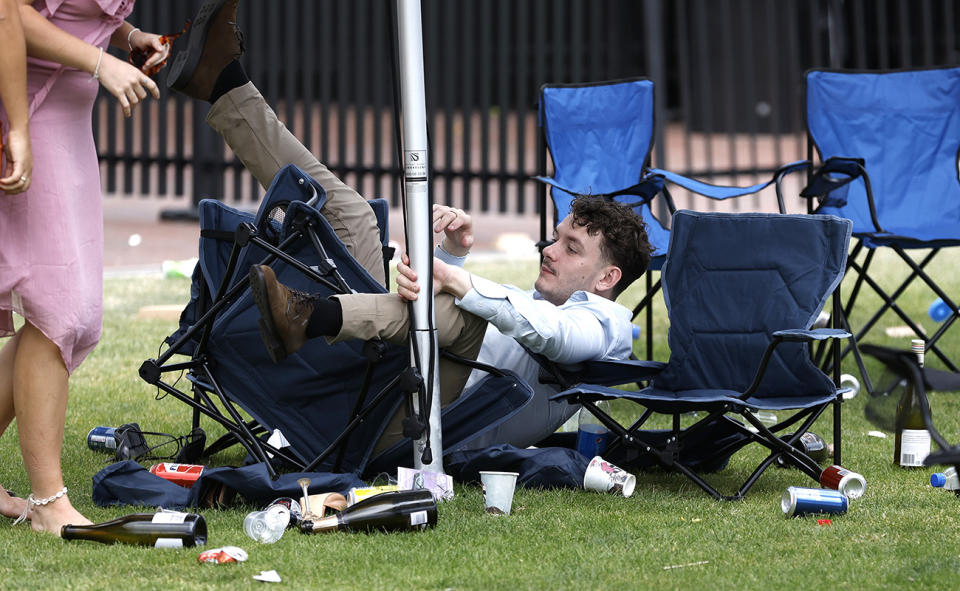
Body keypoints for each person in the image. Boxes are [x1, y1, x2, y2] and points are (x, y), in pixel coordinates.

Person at [166, 0, 652, 458]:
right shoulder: (543, 304)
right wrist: (454, 257)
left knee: (462, 313)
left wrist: (460, 281)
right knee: (353, 213)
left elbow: (556, 338)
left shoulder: (604, 328)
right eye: (558, 236)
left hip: (414, 427)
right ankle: (224, 84)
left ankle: (307, 315)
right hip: (400, 378)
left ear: (607, 278)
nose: (550, 249)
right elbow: (494, 336)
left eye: (572, 248)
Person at [0, 0, 170, 535]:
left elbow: (66, 12)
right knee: (59, 306)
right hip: (29, 107)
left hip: (67, 118)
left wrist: (126, 36)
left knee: (76, 314)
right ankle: (49, 501)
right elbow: (9, 15)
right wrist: (99, 63)